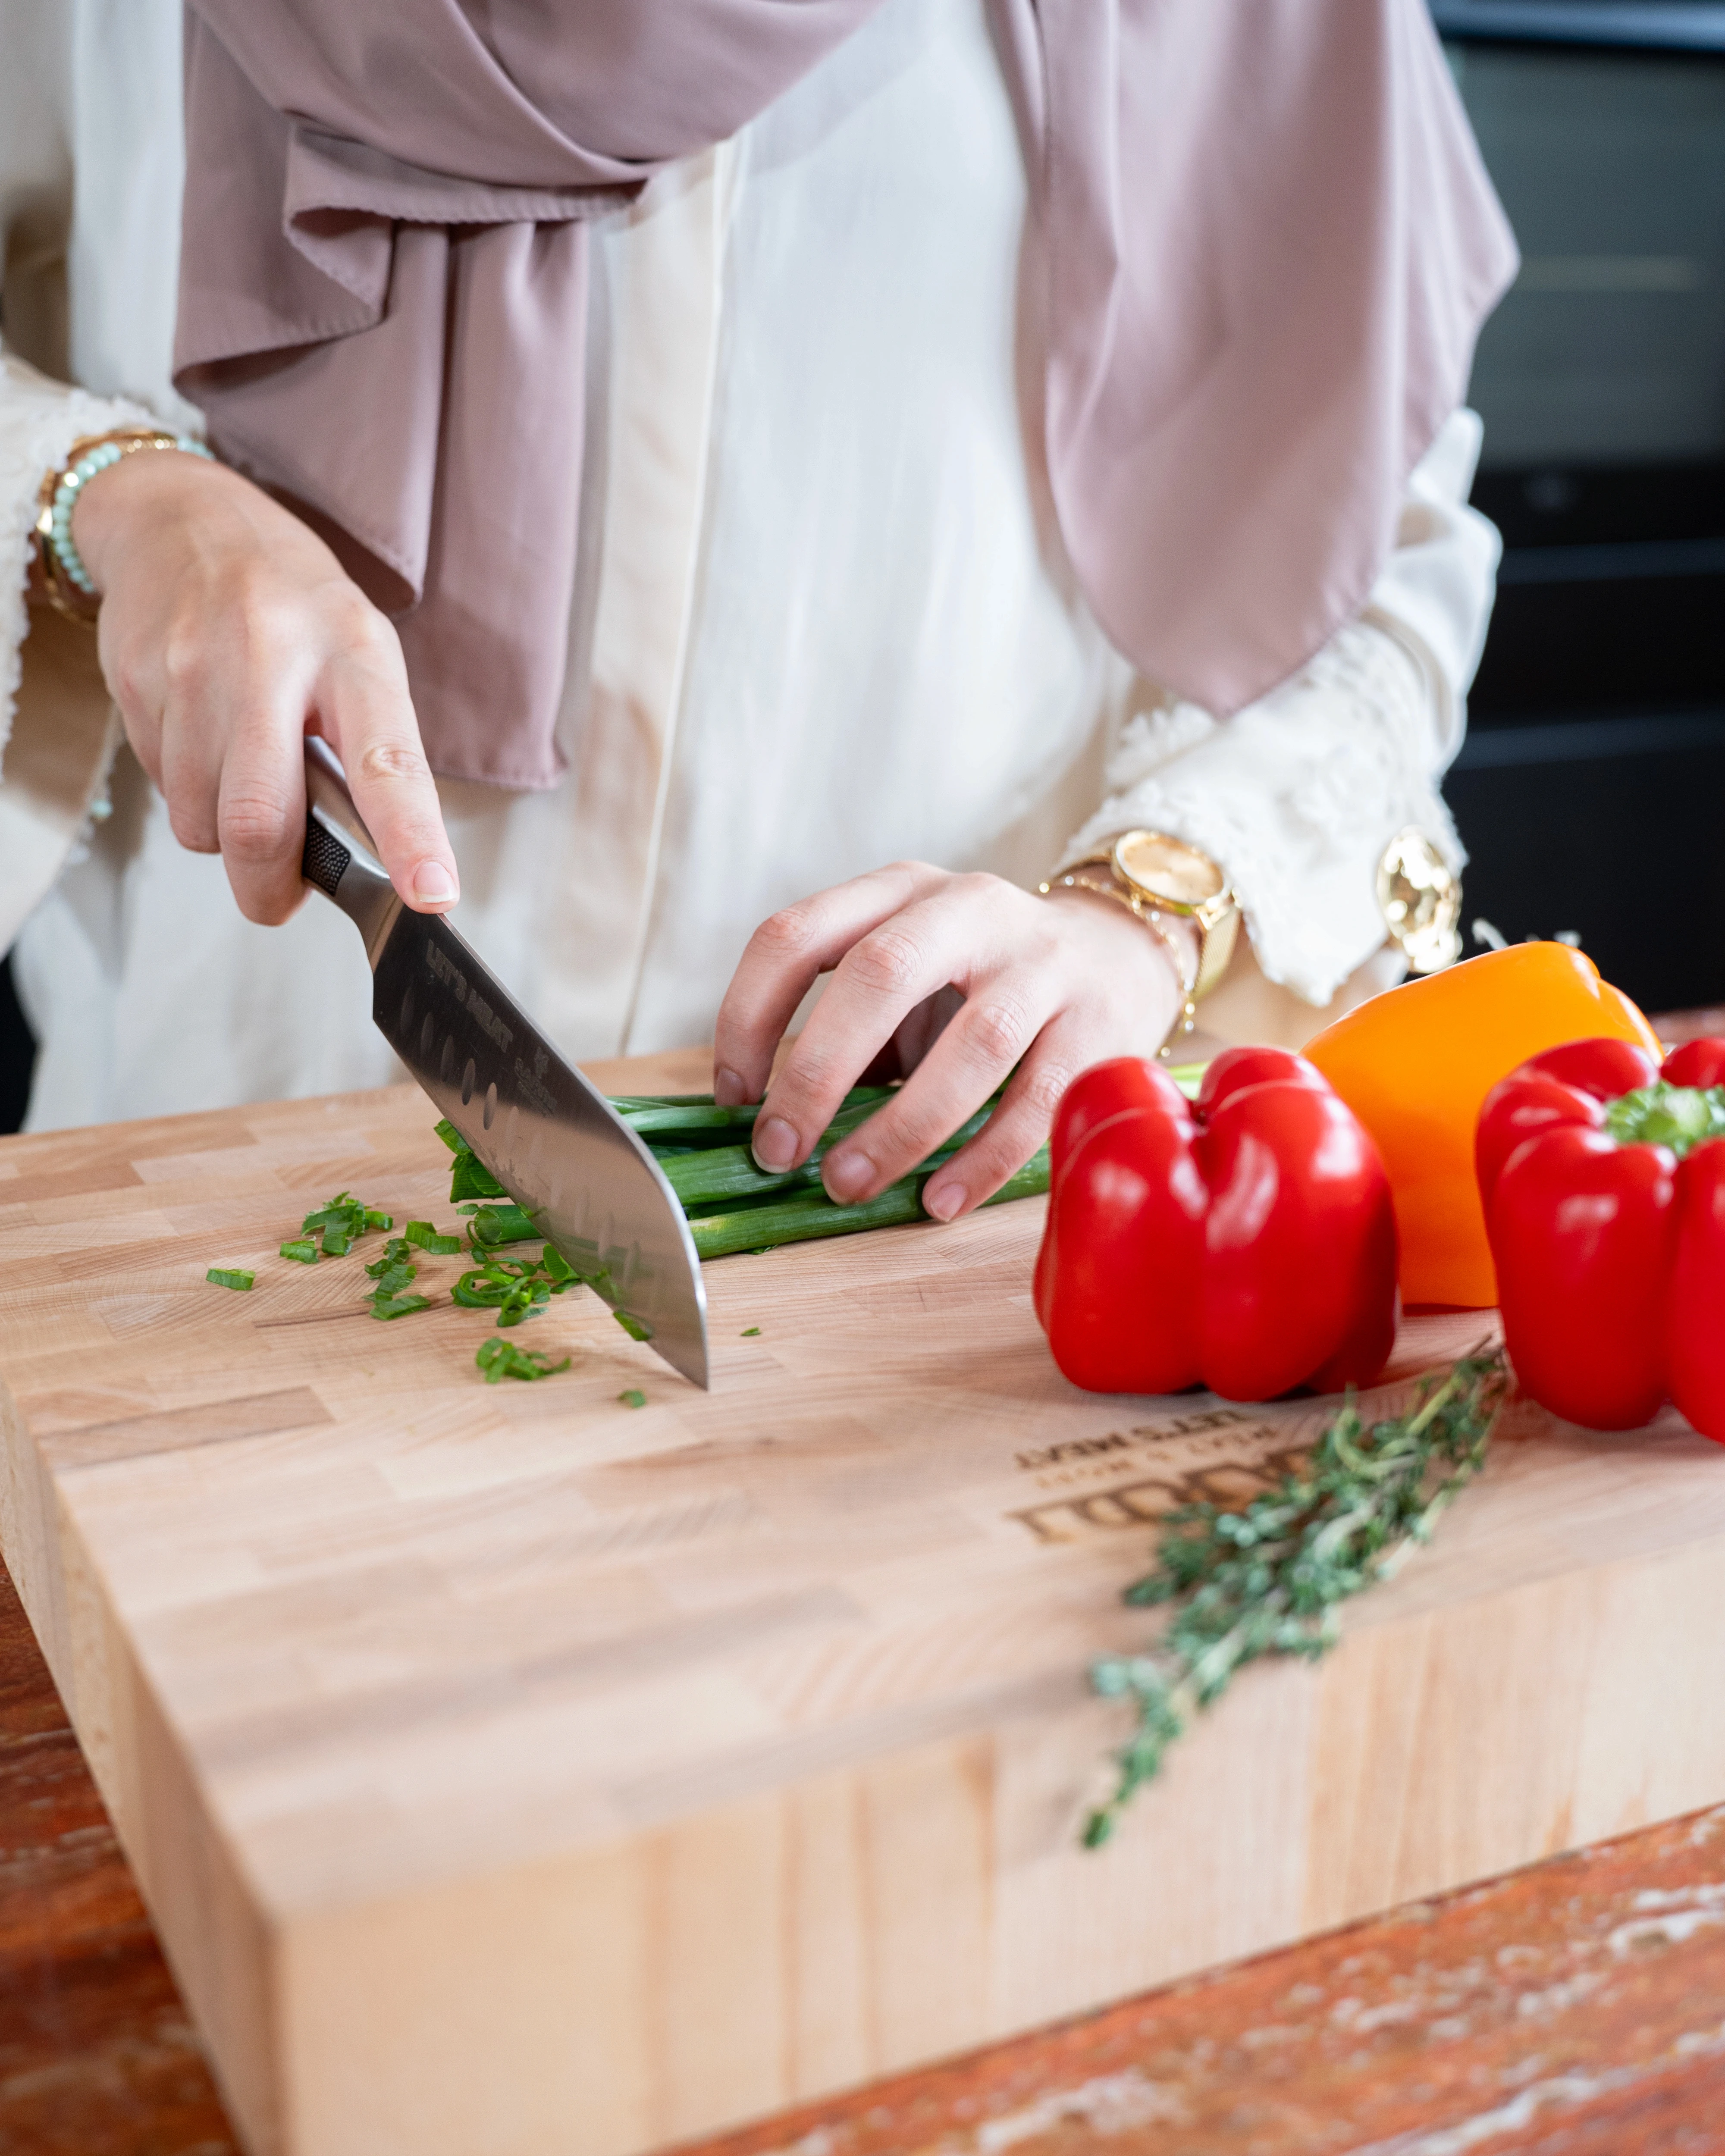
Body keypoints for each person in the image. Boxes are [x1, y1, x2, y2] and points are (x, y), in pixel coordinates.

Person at [0, 0, 1513, 1222]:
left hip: (903, 1253)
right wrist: (112, 495)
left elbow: (1387, 544)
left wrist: (1150, 906)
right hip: (201, 1212)